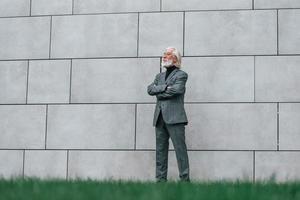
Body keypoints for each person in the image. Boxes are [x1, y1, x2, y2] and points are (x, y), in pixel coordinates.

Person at [147, 47, 190, 182]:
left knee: (180, 150)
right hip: (159, 118)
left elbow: (177, 90)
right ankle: (160, 181)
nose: (164, 57)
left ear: (175, 59)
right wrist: (165, 87)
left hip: (175, 118)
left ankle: (185, 180)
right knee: (160, 152)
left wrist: (159, 91)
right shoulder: (158, 76)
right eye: (164, 54)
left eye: (168, 55)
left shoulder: (181, 75)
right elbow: (149, 89)